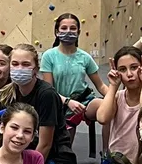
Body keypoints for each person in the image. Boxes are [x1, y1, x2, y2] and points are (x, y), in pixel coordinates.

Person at [1, 43, 81, 164]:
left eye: (25, 64)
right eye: (15, 64)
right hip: (23, 156)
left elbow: (45, 144)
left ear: (36, 69)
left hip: (54, 160)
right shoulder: (10, 92)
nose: (19, 69)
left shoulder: (46, 95)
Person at [94, 45, 142, 164]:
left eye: (134, 67)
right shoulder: (116, 97)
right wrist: (113, 86)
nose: (129, 74)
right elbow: (102, 118)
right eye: (122, 69)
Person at [40, 12, 107, 141]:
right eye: (64, 28)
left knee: (109, 108)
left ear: (78, 32)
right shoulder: (49, 56)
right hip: (59, 103)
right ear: (57, 32)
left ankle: (106, 151)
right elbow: (49, 90)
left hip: (83, 101)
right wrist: (67, 102)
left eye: (72, 28)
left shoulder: (85, 57)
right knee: (64, 145)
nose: (68, 31)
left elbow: (101, 86)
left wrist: (117, 97)